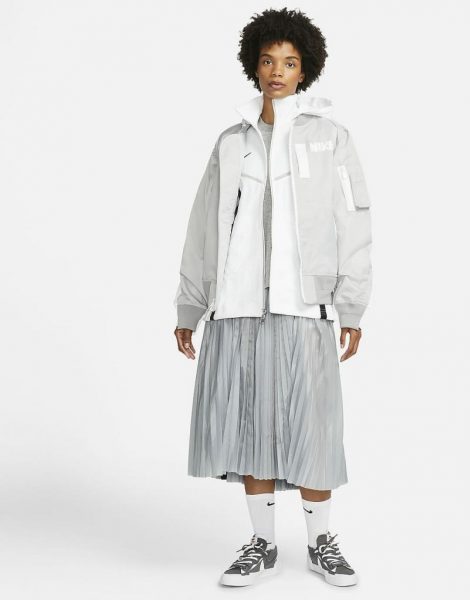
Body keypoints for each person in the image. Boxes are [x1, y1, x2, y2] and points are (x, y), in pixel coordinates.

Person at [172, 7, 372, 587]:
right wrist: (190, 305)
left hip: (304, 306)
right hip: (237, 307)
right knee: (249, 427)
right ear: (254, 67)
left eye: (289, 62)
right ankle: (262, 544)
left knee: (313, 427)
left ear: (305, 70)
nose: (277, 71)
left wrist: (351, 304)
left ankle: (320, 542)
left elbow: (353, 223)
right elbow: (203, 226)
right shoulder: (231, 143)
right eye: (268, 60)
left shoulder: (330, 139)